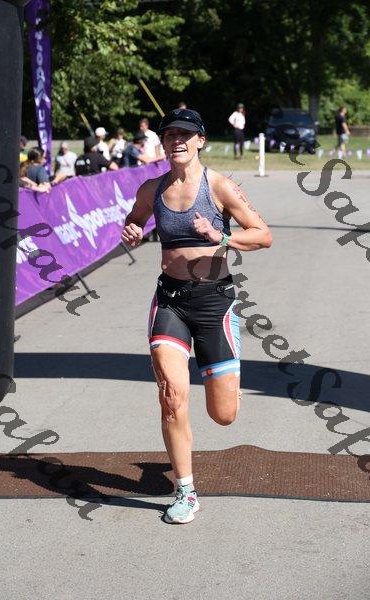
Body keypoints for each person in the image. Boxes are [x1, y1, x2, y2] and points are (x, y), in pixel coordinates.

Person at [121, 108, 272, 524]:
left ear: (201, 141)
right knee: (171, 395)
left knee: (223, 415)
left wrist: (221, 236)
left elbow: (263, 235)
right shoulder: (151, 189)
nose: (177, 140)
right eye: (170, 134)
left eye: (185, 134)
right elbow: (134, 222)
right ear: (163, 142)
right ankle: (186, 491)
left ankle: (228, 383)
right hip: (170, 301)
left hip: (213, 303)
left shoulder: (219, 186)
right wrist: (132, 231)